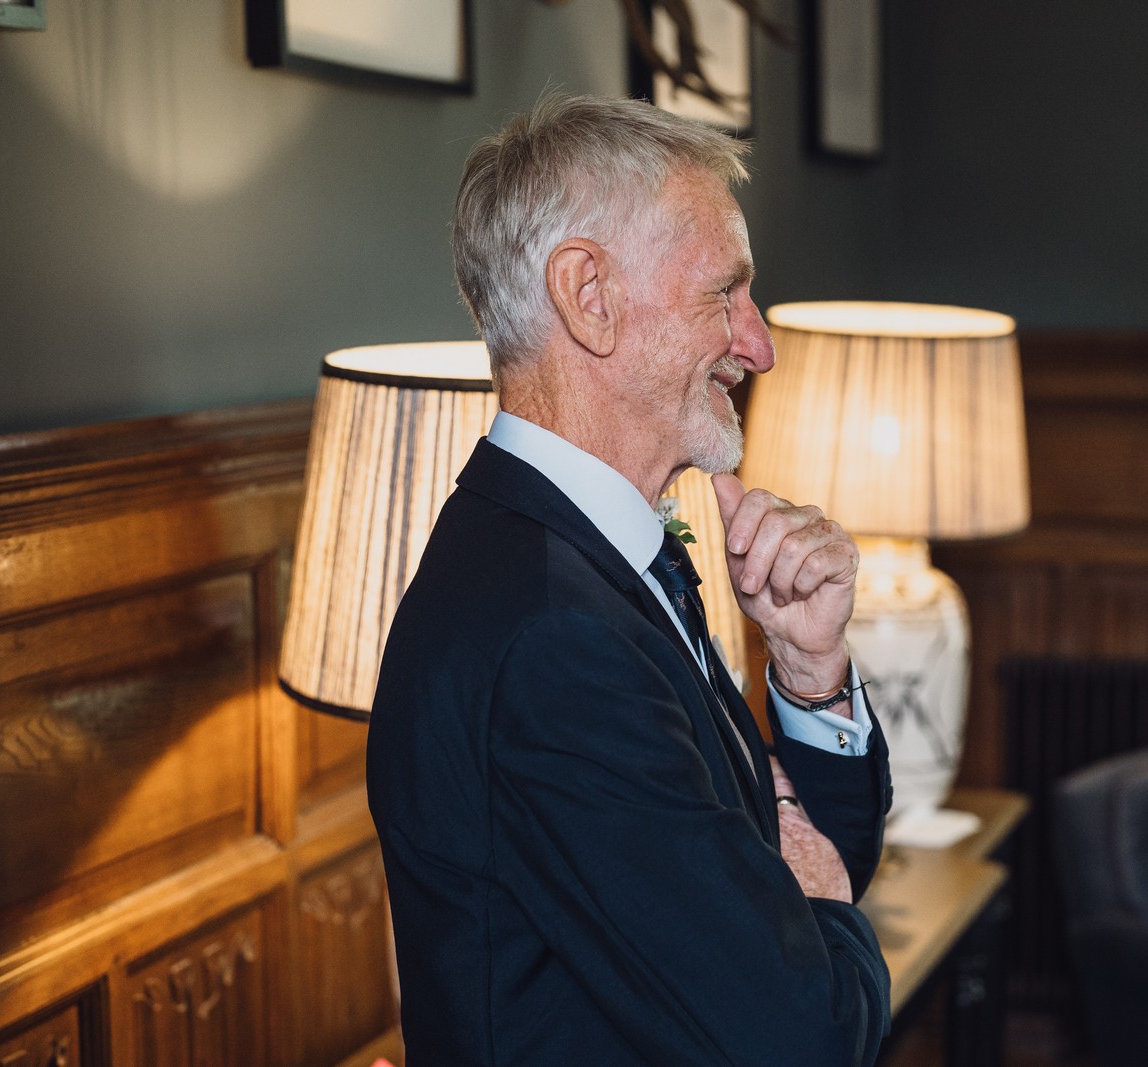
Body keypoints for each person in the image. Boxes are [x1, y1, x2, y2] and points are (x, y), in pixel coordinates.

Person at [366, 93, 892, 1065]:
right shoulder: (553, 638)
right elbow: (801, 1035)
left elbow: (811, 879)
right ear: (589, 296)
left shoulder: (591, 554)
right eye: (723, 294)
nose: (758, 342)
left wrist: (810, 673)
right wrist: (818, 906)